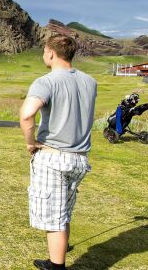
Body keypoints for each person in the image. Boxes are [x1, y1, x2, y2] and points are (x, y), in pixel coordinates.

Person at [19, 35, 97, 270]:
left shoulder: (46, 81)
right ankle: (59, 251)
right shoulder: (90, 82)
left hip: (53, 157)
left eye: (44, 52)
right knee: (63, 211)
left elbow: (26, 115)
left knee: (53, 219)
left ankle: (56, 266)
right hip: (80, 159)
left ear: (50, 52)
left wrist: (30, 143)